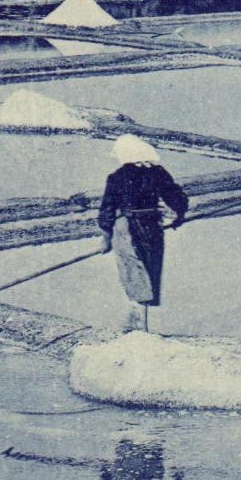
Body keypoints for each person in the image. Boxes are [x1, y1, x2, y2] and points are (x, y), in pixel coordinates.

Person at [98, 134, 189, 332]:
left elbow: (107, 209)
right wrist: (179, 216)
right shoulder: (158, 173)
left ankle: (138, 325)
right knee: (149, 269)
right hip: (152, 227)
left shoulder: (117, 177)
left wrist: (106, 238)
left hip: (127, 228)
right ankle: (137, 322)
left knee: (133, 272)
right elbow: (176, 196)